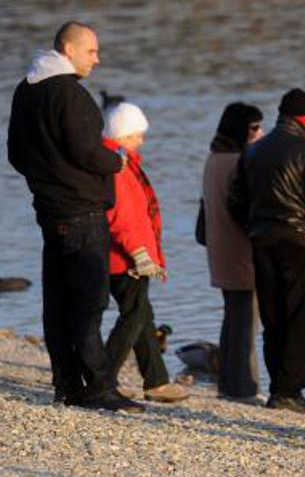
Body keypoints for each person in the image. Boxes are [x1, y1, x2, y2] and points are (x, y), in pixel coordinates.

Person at [7, 21, 142, 412]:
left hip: (49, 209)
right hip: (81, 210)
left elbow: (16, 153)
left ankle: (66, 385)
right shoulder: (70, 93)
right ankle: (98, 386)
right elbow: (87, 153)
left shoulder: (26, 89)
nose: (97, 60)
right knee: (89, 300)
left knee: (59, 300)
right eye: (91, 51)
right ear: (68, 49)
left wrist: (47, 178)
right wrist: (115, 160)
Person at [228, 88, 305, 413]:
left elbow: (235, 200)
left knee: (273, 317)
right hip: (299, 242)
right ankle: (291, 391)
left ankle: (277, 390)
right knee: (303, 319)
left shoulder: (254, 152)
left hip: (262, 241)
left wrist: (254, 227)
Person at [101, 102, 187, 402]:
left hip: (124, 254)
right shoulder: (117, 166)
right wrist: (139, 253)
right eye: (137, 135)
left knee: (143, 316)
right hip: (125, 258)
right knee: (133, 316)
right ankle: (102, 379)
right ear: (123, 136)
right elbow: (121, 215)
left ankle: (156, 381)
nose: (142, 141)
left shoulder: (121, 162)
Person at [200, 102, 265, 402]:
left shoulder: (214, 158)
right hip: (241, 252)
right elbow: (246, 210)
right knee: (245, 324)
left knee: (233, 320)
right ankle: (244, 388)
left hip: (220, 250)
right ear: (241, 129)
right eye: (254, 128)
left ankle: (228, 383)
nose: (259, 133)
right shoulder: (240, 162)